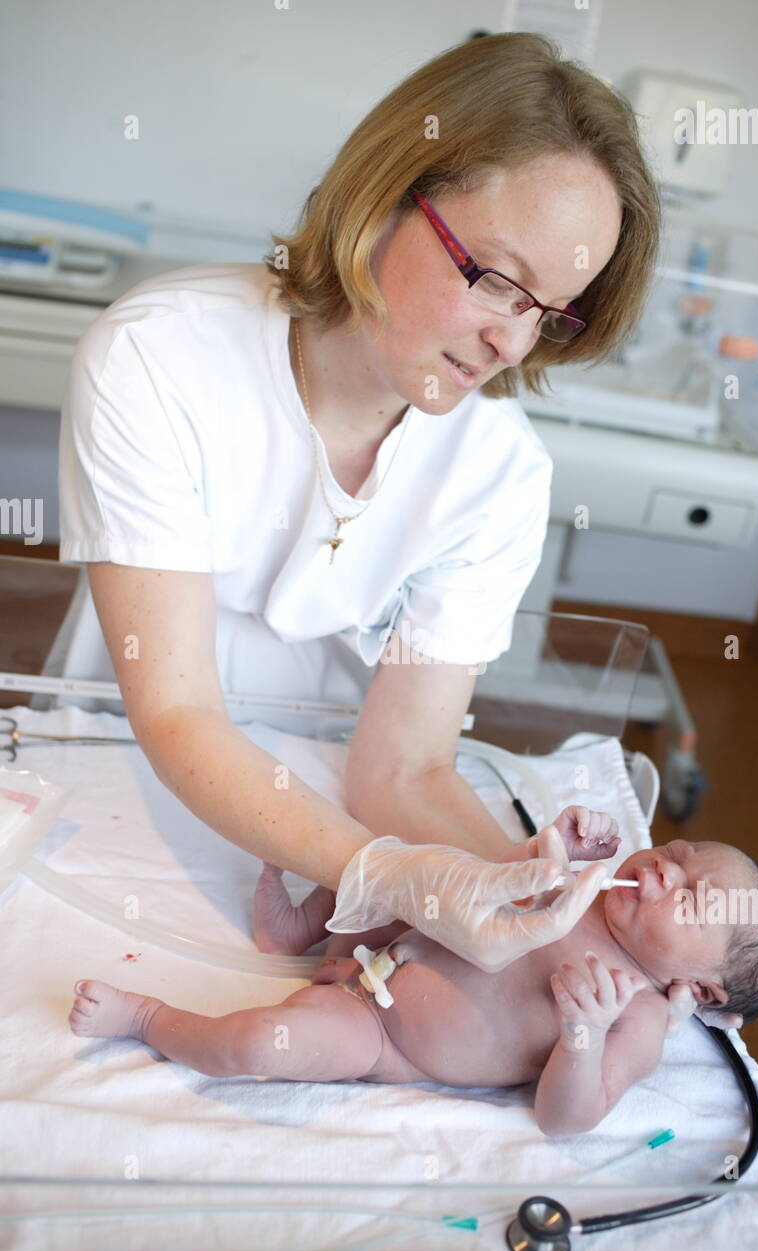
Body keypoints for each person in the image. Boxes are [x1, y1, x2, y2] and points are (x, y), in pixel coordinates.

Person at [57, 32, 660, 968]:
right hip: (118, 758)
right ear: (387, 198)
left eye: (552, 313)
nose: (512, 343)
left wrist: (533, 901)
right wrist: (391, 877)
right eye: (498, 281)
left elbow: (406, 766)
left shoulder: (499, 475)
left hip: (332, 782)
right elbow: (178, 715)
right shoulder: (157, 358)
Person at [68, 812, 758, 1138]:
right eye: (678, 850)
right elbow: (483, 887)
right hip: (385, 937)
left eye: (690, 896)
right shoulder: (586, 889)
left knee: (262, 1047)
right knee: (407, 860)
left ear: (704, 989)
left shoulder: (633, 1015)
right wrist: (549, 847)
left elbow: (565, 1119)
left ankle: (145, 1019)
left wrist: (581, 1038)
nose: (664, 867)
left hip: (379, 1030)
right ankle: (292, 929)